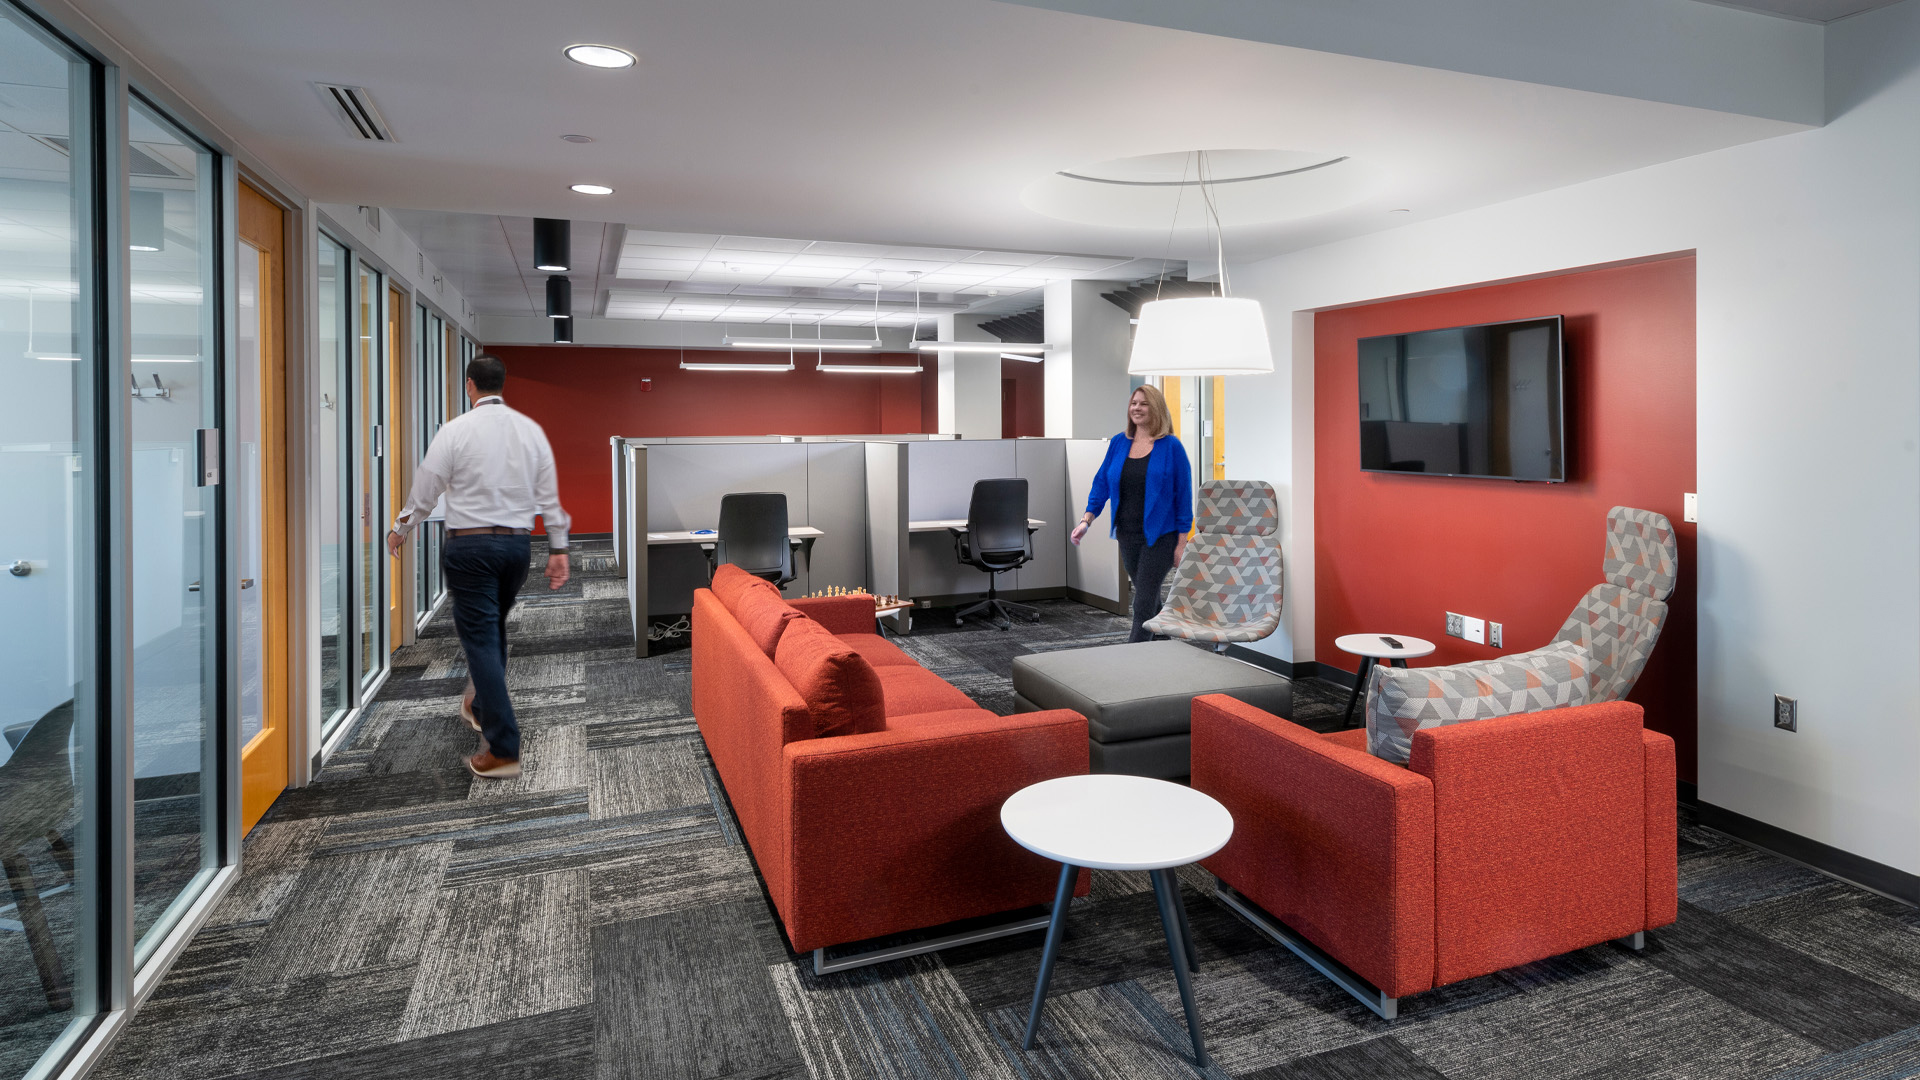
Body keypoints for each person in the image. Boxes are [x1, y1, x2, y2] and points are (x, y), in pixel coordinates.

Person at [386, 353, 570, 779]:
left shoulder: (455, 431)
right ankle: (480, 704)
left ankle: (504, 747)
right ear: (502, 385)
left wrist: (401, 527)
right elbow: (549, 495)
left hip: (470, 549)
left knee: (482, 640)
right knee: (493, 629)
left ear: (470, 385)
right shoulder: (530, 432)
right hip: (516, 550)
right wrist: (559, 549)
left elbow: (426, 488)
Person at [1070, 384, 1193, 643]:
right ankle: (1164, 650)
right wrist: (1086, 520)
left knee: (1143, 602)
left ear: (1156, 408)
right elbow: (1102, 482)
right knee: (1150, 599)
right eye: (1133, 403)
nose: (1136, 408)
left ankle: (1130, 658)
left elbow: (1183, 498)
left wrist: (1182, 544)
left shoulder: (1171, 447)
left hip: (1161, 536)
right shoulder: (1119, 442)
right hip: (1127, 534)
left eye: (1143, 403)